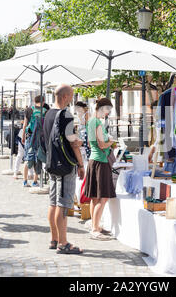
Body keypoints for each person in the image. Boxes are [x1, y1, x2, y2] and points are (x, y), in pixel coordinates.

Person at [43, 84, 84, 254]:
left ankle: (54, 238)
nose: (72, 99)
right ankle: (63, 242)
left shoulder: (47, 114)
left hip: (52, 163)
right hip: (65, 165)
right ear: (65, 96)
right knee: (64, 203)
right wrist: (81, 164)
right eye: (72, 96)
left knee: (53, 202)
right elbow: (72, 141)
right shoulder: (65, 114)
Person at [85, 98, 117, 240]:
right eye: (108, 110)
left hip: (94, 160)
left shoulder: (91, 121)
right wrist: (111, 141)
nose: (108, 113)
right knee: (103, 198)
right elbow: (102, 144)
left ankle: (95, 226)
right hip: (100, 162)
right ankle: (95, 228)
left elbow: (91, 144)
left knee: (95, 198)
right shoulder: (97, 122)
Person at [21, 96, 47, 188]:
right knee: (38, 158)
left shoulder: (29, 110)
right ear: (43, 102)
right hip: (40, 138)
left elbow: (25, 124)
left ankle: (25, 181)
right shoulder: (44, 110)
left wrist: (23, 136)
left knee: (28, 158)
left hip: (29, 136)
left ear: (34, 101)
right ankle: (35, 181)